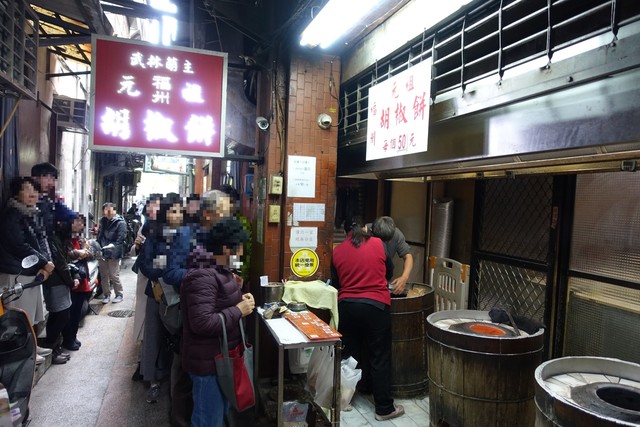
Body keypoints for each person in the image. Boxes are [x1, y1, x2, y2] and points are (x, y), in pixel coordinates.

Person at [180, 217, 255, 427]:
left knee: (217, 415)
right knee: (208, 420)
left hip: (220, 358)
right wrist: (238, 310)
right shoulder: (202, 274)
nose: (241, 252)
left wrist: (240, 298)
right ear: (225, 248)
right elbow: (202, 322)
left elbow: (217, 303)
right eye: (239, 247)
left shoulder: (218, 269)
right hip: (208, 364)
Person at [330, 217, 404, 422]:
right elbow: (389, 271)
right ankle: (384, 409)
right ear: (364, 228)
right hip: (376, 307)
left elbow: (336, 283)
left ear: (345, 231)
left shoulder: (337, 251)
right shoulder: (378, 244)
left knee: (349, 355)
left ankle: (345, 400)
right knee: (379, 356)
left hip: (347, 307)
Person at [0, 177, 56, 363]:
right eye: (27, 189)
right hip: (16, 272)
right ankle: (21, 354)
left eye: (35, 190)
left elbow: (41, 241)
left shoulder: (30, 213)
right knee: (18, 315)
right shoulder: (12, 215)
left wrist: (46, 263)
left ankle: (30, 347)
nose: (33, 194)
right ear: (17, 193)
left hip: (30, 271)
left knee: (30, 314)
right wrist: (44, 262)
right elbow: (19, 245)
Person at [41, 202, 80, 364]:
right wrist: (71, 281)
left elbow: (64, 261)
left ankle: (54, 349)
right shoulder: (53, 238)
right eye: (71, 221)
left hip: (59, 281)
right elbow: (60, 263)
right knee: (59, 317)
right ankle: (52, 350)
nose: (73, 225)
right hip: (55, 282)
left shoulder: (60, 238)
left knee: (59, 316)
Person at [62, 214, 94, 351]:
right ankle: (67, 340)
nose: (79, 225)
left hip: (82, 278)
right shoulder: (65, 239)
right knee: (69, 312)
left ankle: (73, 336)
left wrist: (86, 252)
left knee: (77, 312)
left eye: (82, 223)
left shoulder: (81, 239)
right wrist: (78, 253)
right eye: (77, 222)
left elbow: (91, 254)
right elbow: (67, 254)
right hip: (71, 279)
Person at [370, 216, 414, 295]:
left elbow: (408, 257)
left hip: (384, 277)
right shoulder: (365, 232)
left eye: (387, 240)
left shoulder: (396, 234)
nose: (383, 244)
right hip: (367, 276)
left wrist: (404, 277)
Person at [96, 202, 127, 303]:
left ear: (114, 211)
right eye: (105, 210)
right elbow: (100, 236)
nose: (107, 213)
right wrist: (98, 247)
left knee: (114, 275)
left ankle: (119, 294)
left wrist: (115, 254)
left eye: (110, 210)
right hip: (103, 251)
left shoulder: (120, 223)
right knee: (103, 275)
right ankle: (106, 295)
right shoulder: (103, 221)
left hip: (113, 251)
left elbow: (120, 240)